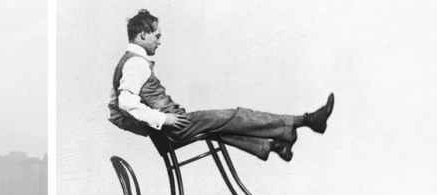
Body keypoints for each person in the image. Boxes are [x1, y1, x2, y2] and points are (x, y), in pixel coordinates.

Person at [108, 9, 335, 162]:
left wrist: (149, 128)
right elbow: (125, 103)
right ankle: (306, 121)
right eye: (157, 35)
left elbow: (113, 111)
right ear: (143, 34)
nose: (160, 40)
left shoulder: (126, 62)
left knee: (220, 126)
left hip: (172, 130)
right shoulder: (136, 63)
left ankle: (275, 146)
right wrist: (161, 120)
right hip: (174, 129)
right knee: (235, 116)